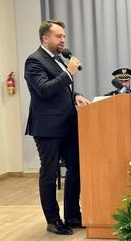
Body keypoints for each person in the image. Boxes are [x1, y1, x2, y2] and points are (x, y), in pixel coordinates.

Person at [24, 20, 91, 235]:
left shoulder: (59, 59)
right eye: (58, 36)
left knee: (76, 169)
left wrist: (75, 95)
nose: (63, 40)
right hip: (47, 128)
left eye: (63, 36)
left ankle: (72, 215)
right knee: (50, 173)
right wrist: (69, 73)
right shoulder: (34, 61)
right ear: (45, 38)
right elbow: (44, 90)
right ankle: (52, 219)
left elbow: (61, 90)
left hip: (68, 125)